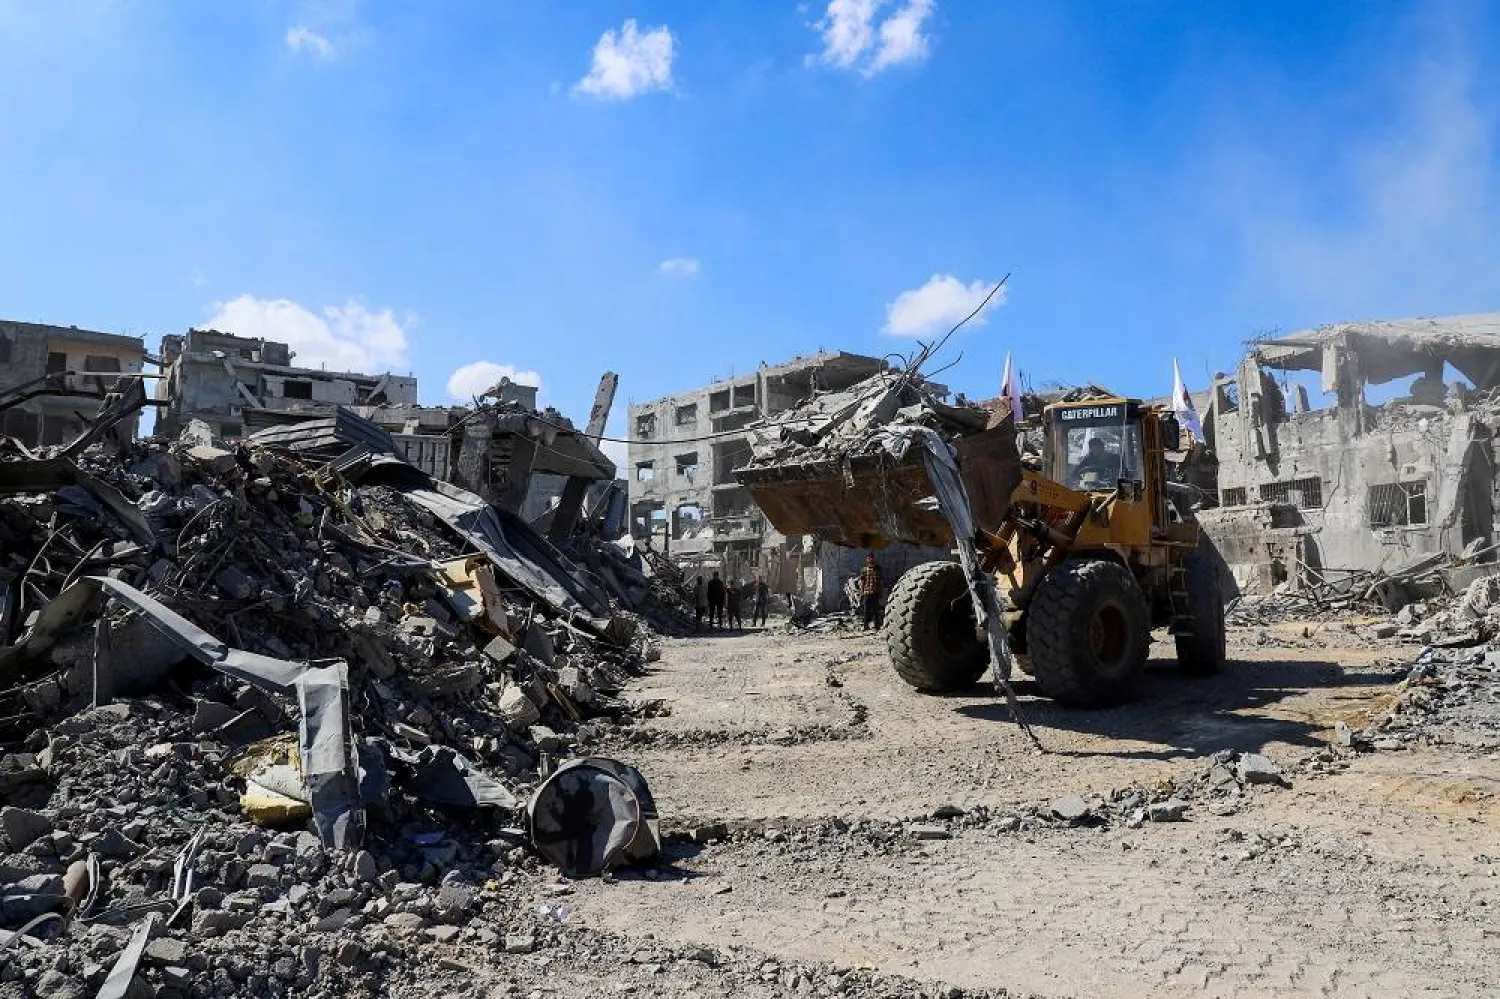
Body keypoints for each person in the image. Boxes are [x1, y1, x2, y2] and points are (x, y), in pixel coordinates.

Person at [859, 553, 884, 630]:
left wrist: (881, 591)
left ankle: (877, 626)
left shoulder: (878, 568)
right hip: (867, 593)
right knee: (866, 611)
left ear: (874, 558)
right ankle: (865, 626)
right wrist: (861, 592)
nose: (870, 559)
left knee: (876, 610)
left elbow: (881, 581)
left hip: (875, 593)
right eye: (869, 558)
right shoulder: (864, 569)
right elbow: (862, 581)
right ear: (867, 559)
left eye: (872, 558)